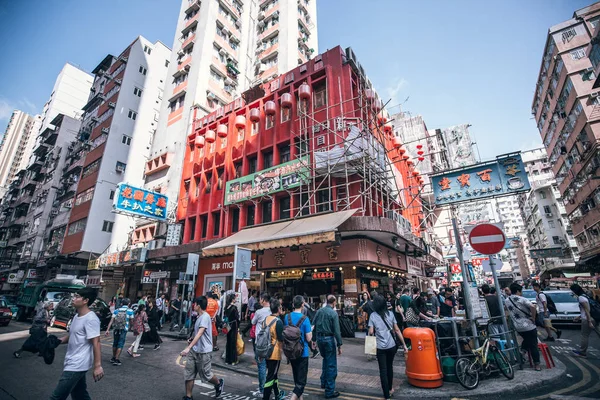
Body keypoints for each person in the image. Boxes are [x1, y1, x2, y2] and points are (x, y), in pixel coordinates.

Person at [48, 287, 104, 400]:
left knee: (56, 397)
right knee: (80, 395)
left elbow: (96, 342)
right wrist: (58, 341)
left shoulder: (91, 319)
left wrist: (97, 366)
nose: (73, 298)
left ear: (85, 300)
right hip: (71, 360)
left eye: (77, 297)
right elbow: (74, 336)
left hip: (77, 364)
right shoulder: (77, 316)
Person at [180, 296, 224, 400]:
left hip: (204, 352)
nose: (193, 306)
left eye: (195, 304)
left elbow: (200, 333)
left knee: (206, 374)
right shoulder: (198, 317)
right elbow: (197, 334)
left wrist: (188, 347)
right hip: (194, 350)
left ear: (199, 305)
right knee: (189, 373)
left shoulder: (205, 317)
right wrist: (191, 340)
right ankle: (188, 396)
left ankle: (218, 383)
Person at [368, 295, 408, 400]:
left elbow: (371, 332)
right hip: (392, 346)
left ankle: (386, 395)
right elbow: (397, 330)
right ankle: (390, 389)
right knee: (390, 367)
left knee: (383, 370)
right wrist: (404, 345)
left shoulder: (372, 316)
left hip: (380, 347)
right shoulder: (390, 314)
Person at [313, 295, 343, 399]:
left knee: (325, 360)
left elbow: (314, 325)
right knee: (331, 364)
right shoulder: (333, 313)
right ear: (334, 302)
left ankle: (324, 383)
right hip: (329, 340)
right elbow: (337, 331)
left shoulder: (319, 311)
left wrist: (313, 340)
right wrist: (339, 344)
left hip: (320, 339)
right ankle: (329, 391)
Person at [505, 283, 540, 371]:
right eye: (521, 291)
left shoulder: (507, 300)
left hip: (518, 326)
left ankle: (523, 351)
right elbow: (533, 306)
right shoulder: (522, 299)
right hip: (528, 325)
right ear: (517, 291)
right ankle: (537, 364)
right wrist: (533, 317)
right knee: (533, 345)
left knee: (527, 339)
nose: (522, 293)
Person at [284, 295, 313, 400]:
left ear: (293, 304)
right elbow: (309, 338)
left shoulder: (286, 317)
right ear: (302, 304)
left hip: (290, 352)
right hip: (302, 352)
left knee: (297, 379)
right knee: (302, 382)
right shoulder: (305, 319)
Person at [262, 298, 286, 400]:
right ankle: (265, 396)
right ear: (278, 308)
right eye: (280, 307)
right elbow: (281, 338)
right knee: (271, 376)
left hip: (266, 350)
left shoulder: (266, 319)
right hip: (274, 353)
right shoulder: (278, 322)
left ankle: (277, 393)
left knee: (274, 374)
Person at [251, 293, 272, 398]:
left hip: (260, 343)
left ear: (263, 300)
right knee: (271, 367)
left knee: (262, 367)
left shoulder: (259, 312)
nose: (259, 301)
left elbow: (252, 322)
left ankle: (262, 389)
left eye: (260, 299)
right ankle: (271, 388)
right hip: (272, 343)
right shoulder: (273, 310)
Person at [571, 283, 600, 357]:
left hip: (587, 319)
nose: (572, 292)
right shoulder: (585, 296)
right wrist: (579, 316)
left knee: (584, 336)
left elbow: (587, 310)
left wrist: (589, 321)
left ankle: (582, 352)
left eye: (572, 290)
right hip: (594, 317)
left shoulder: (581, 298)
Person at [104, 297, 134, 366]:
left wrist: (108, 329)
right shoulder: (130, 311)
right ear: (129, 304)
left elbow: (111, 320)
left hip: (116, 328)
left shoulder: (116, 310)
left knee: (115, 343)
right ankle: (117, 359)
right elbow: (132, 320)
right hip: (124, 329)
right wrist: (131, 327)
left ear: (121, 303)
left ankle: (113, 357)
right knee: (120, 343)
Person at [224, 293, 240, 365]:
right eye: (235, 298)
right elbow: (237, 318)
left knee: (228, 342)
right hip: (234, 325)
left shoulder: (226, 307)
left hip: (228, 325)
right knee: (233, 342)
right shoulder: (234, 308)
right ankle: (233, 360)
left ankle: (227, 360)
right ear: (233, 299)